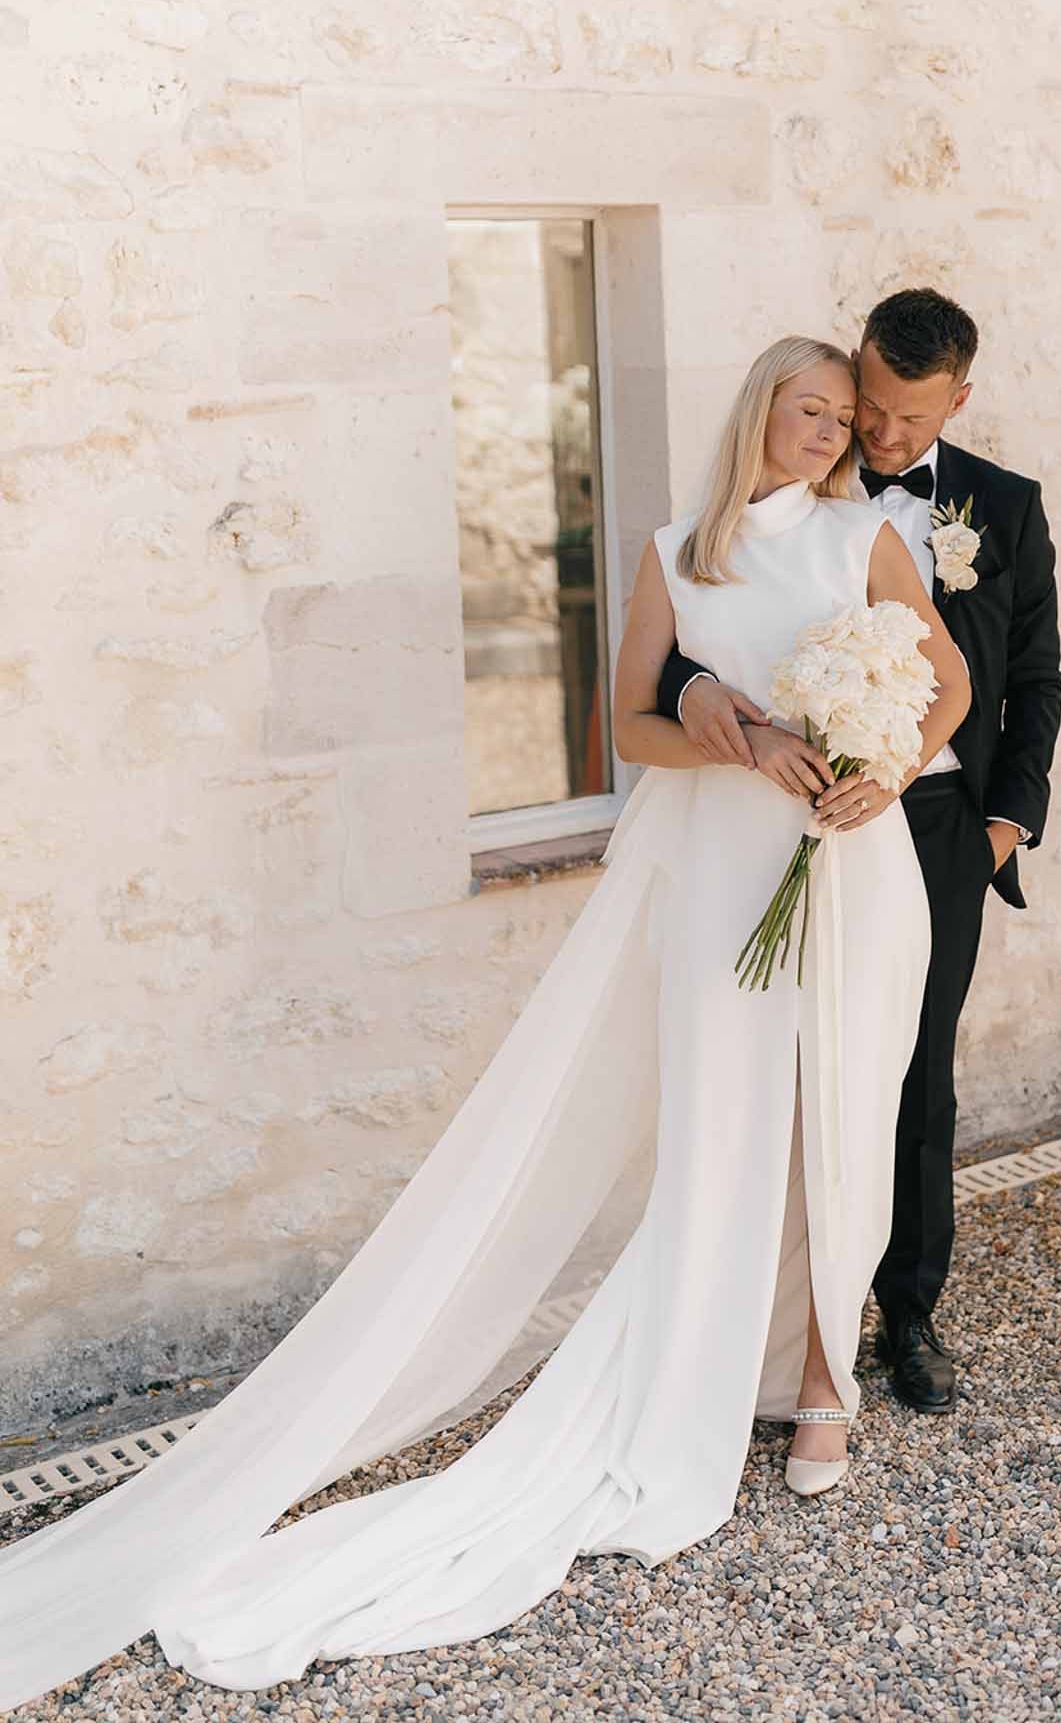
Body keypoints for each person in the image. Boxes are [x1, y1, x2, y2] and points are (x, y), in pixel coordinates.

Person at [0, 337, 971, 1708]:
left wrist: (892, 768)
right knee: (733, 1118)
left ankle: (823, 1382)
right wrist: (737, 732)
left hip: (852, 863)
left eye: (838, 416)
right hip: (723, 870)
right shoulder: (675, 555)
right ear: (760, 411)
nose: (825, 432)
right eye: (805, 410)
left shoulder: (861, 536)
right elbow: (631, 727)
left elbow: (946, 684)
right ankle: (713, 1359)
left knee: (843, 1110)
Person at [657, 289, 1061, 1417]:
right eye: (866, 406)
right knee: (781, 1064)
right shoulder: (794, 491)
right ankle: (779, 1313)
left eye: (905, 419)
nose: (877, 435)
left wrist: (1004, 824)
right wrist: (692, 690)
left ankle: (907, 1315)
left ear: (958, 401)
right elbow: (704, 623)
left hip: (938, 823)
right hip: (785, 813)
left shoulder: (1005, 506)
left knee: (916, 1071)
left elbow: (1033, 677)